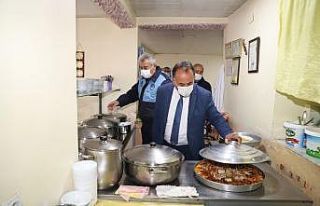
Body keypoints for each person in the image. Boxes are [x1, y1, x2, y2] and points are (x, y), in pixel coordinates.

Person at [152, 61, 241, 160]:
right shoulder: (163, 91)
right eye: (181, 84)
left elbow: (215, 117)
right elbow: (158, 117)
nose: (186, 87)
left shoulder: (204, 95)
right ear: (173, 80)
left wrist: (227, 133)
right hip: (164, 146)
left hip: (190, 149)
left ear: (194, 79)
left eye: (190, 83)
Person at [108, 53, 171, 144]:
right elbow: (133, 94)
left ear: (154, 66)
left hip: (158, 125)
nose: (142, 70)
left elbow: (168, 105)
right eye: (141, 68)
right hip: (145, 123)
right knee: (146, 147)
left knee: (157, 149)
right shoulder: (143, 79)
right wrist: (118, 101)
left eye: (145, 68)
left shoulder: (164, 81)